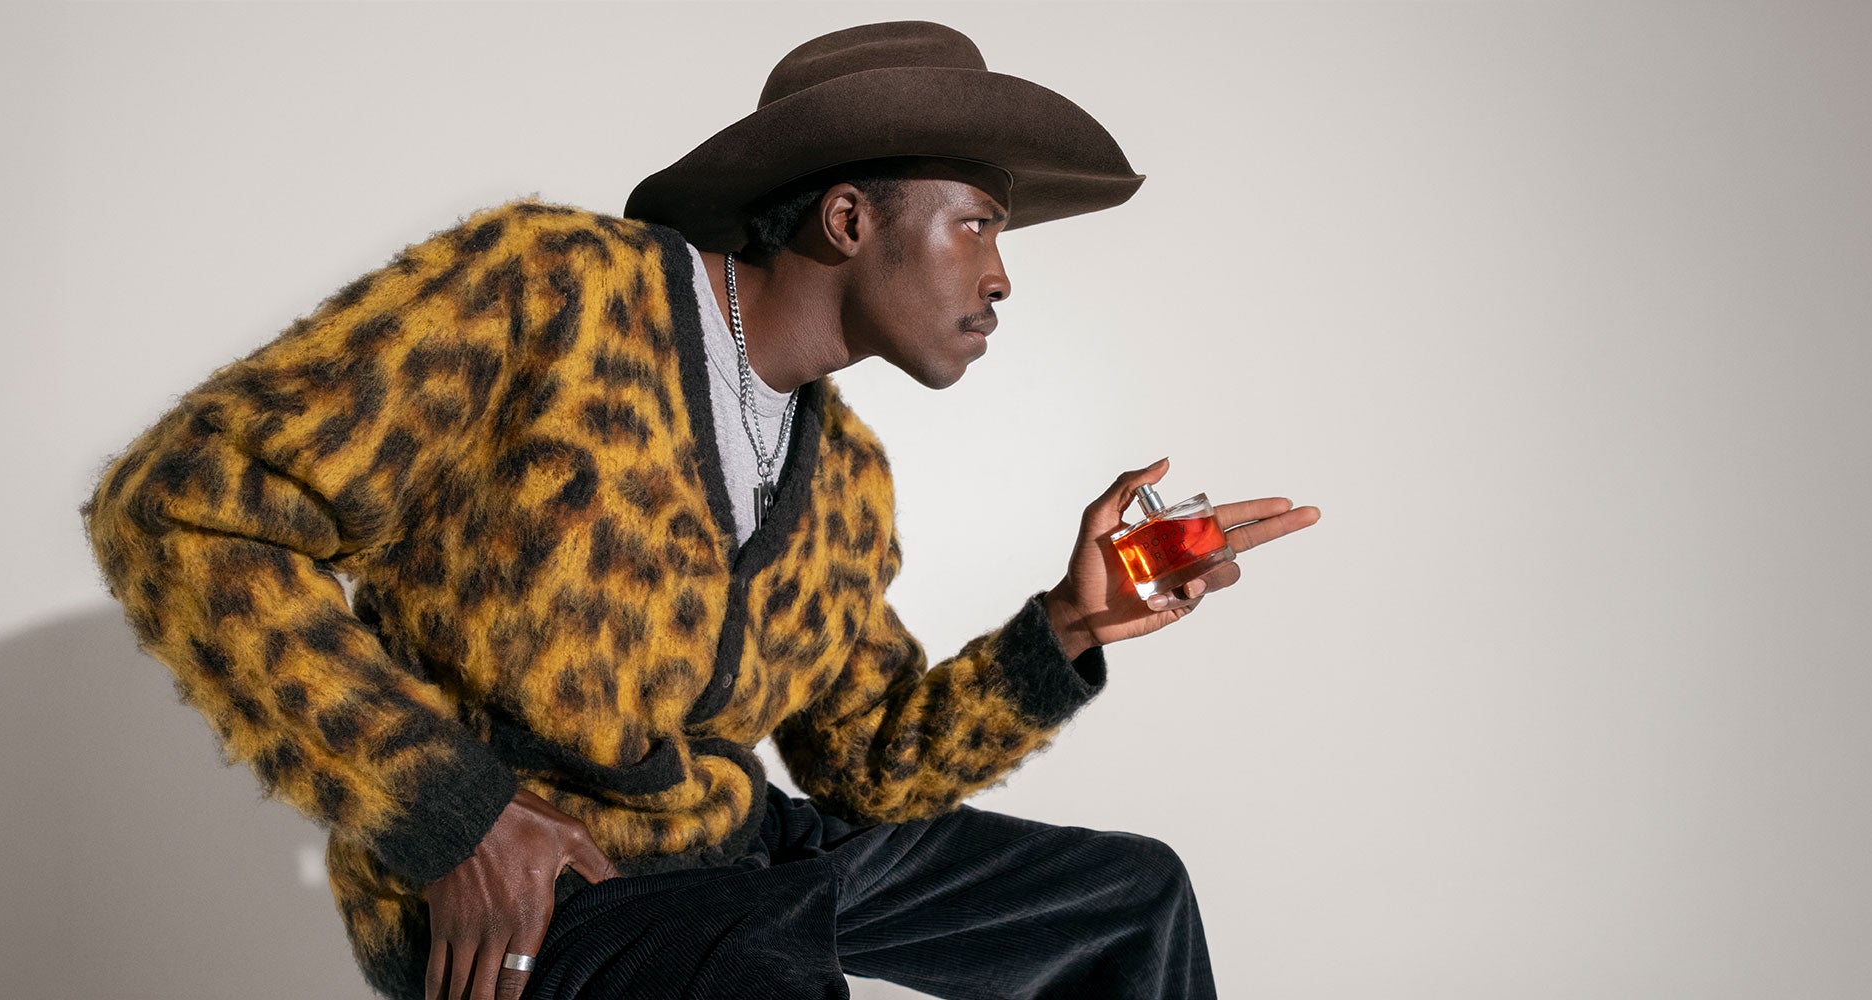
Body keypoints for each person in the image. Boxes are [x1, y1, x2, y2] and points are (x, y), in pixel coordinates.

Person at [75, 18, 1319, 1000]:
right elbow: (179, 507)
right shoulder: (547, 292)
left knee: (1125, 900)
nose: (1000, 277)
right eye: (978, 226)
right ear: (847, 219)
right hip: (551, 881)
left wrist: (1067, 626)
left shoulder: (846, 475)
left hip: (738, 856)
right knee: (755, 967)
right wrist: (453, 818)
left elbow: (866, 767)